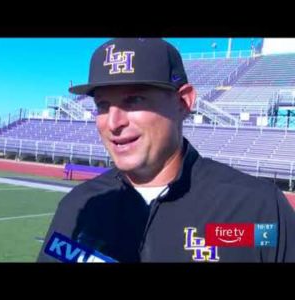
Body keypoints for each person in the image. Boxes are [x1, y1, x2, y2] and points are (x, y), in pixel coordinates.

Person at [37, 38, 295, 262]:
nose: (113, 123)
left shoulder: (256, 209)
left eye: (134, 100)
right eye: (103, 106)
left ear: (184, 102)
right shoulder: (79, 206)